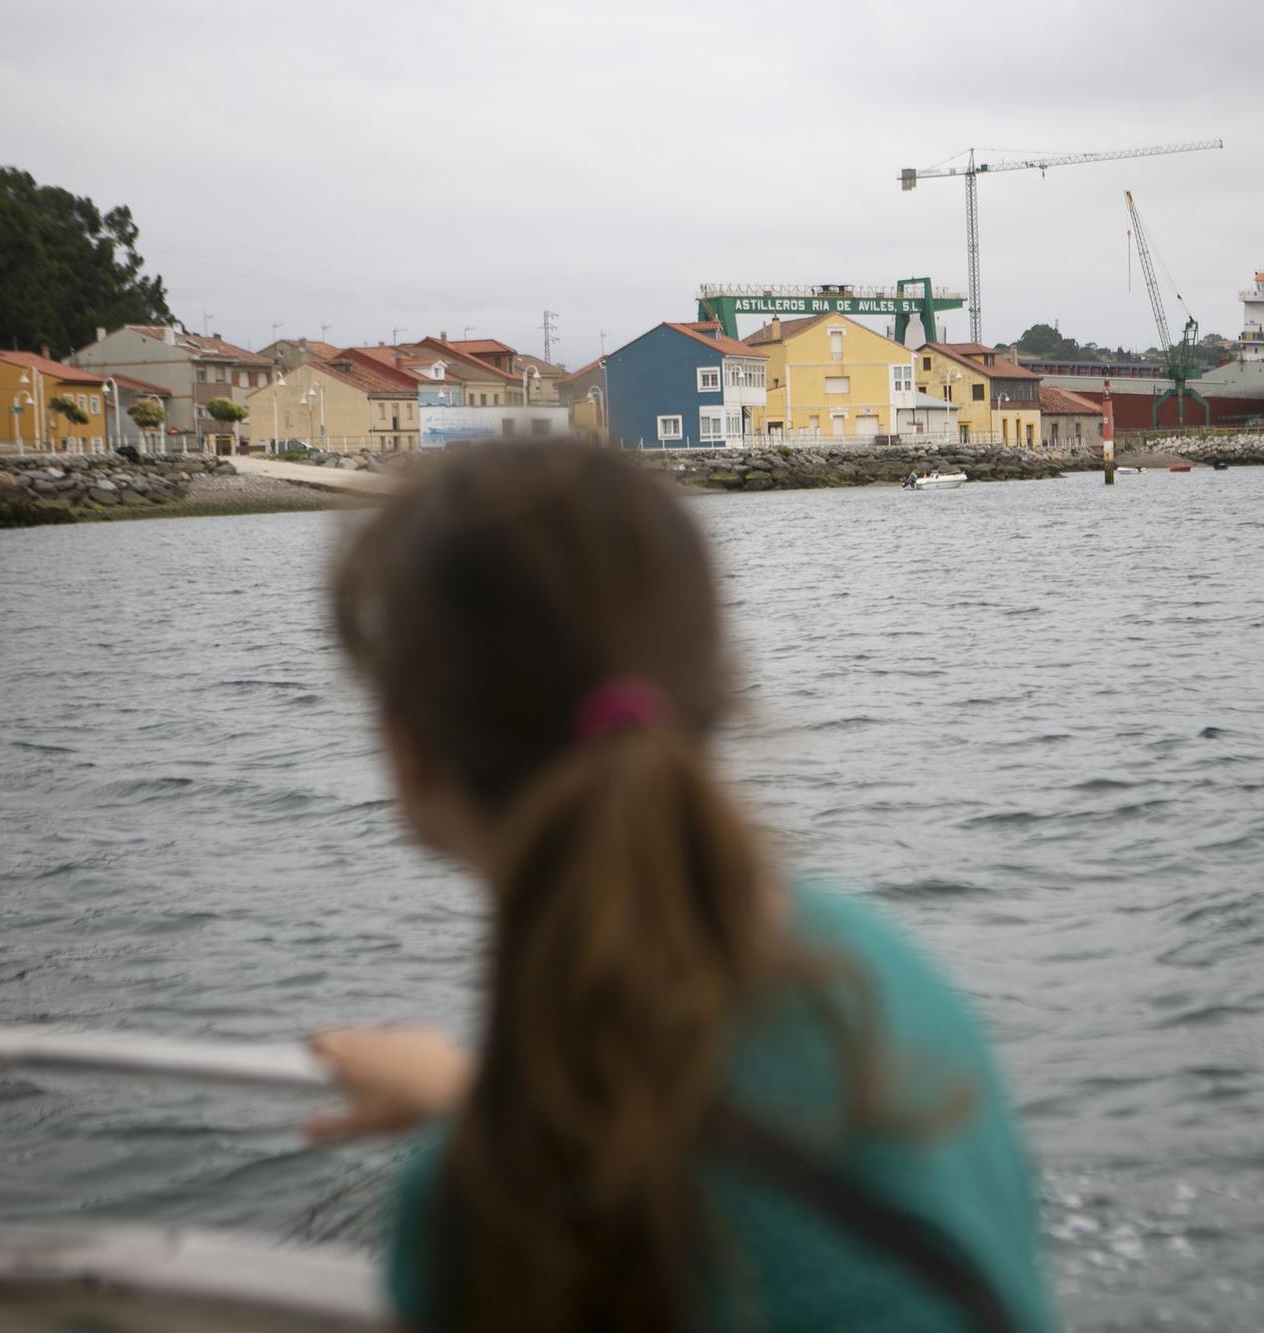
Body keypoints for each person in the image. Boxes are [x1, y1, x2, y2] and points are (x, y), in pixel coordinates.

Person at [309, 441, 1048, 1333]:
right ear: (714, 687)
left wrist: (477, 1119)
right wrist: (476, 1098)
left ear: (408, 752)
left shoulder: (480, 1203)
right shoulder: (889, 979)